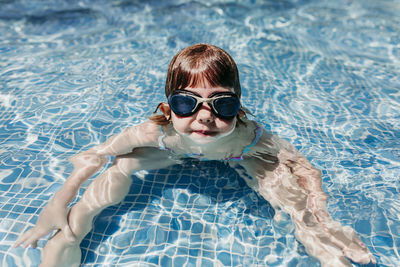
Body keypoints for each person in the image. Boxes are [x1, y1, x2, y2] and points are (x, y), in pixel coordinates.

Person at [14, 44, 376, 267]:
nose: (205, 116)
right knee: (120, 164)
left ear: (239, 107)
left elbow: (303, 166)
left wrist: (319, 213)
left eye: (223, 104)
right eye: (187, 102)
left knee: (289, 194)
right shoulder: (155, 131)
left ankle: (329, 251)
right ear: (167, 108)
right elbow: (92, 156)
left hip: (237, 156)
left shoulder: (249, 136)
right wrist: (61, 198)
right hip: (169, 153)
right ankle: (66, 239)